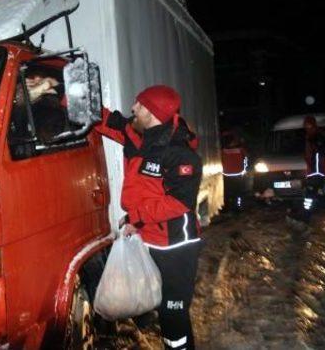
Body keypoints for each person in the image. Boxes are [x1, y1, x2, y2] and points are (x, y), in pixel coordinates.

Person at [95, 85, 202, 350]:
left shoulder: (180, 153)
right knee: (155, 304)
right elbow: (106, 120)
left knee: (173, 313)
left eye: (140, 105)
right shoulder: (139, 137)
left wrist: (137, 217)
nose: (134, 108)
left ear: (152, 112)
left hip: (176, 245)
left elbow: (178, 203)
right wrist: (64, 95)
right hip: (148, 238)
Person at [221, 129, 249, 213]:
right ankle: (238, 207)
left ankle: (226, 207)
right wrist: (245, 169)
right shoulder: (240, 149)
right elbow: (246, 159)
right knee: (238, 193)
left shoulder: (223, 150)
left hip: (227, 174)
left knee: (227, 192)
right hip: (238, 174)